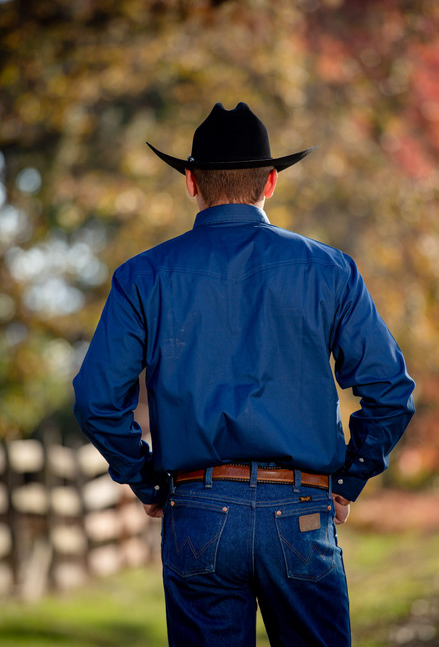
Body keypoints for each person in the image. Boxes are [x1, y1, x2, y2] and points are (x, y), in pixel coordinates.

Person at [73, 102, 415, 646]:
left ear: (190, 182)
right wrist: (349, 480)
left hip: (199, 511)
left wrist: (146, 482)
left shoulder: (142, 276)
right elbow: (390, 392)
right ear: (271, 182)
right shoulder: (330, 270)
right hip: (302, 509)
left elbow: (96, 399)